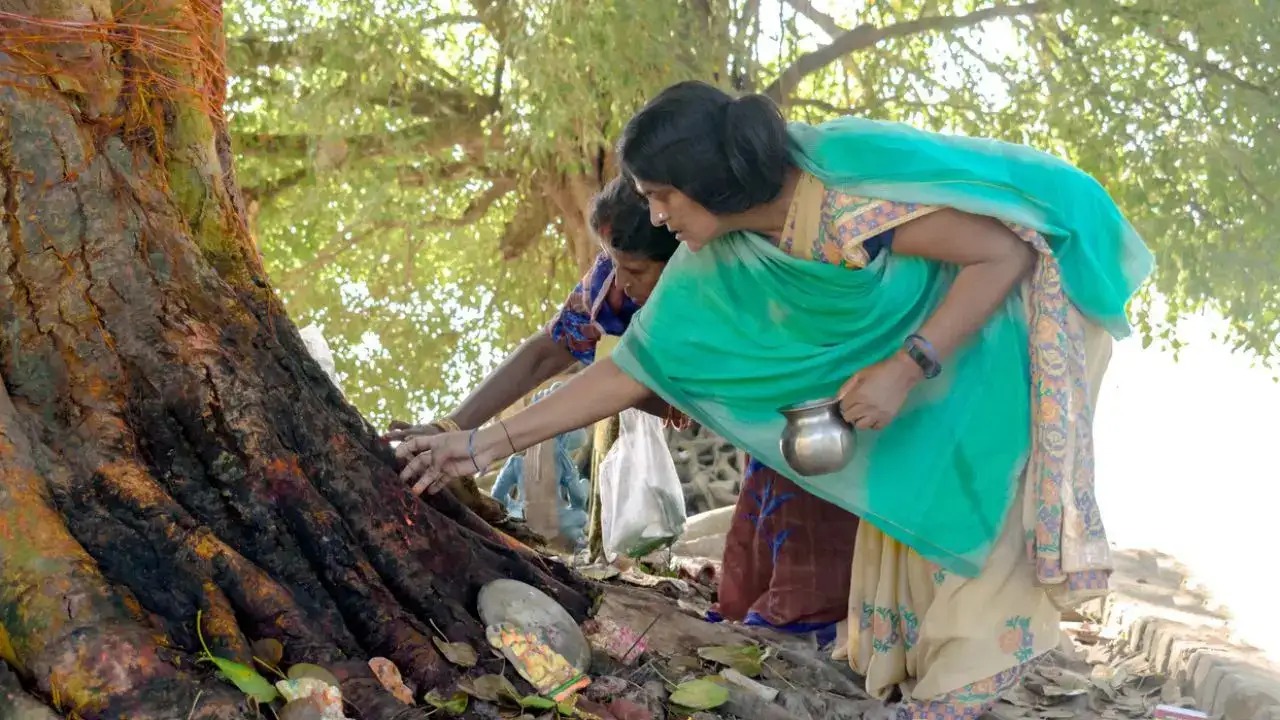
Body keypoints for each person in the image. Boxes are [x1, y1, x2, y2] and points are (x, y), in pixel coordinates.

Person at [396, 80, 1153, 719]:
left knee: (979, 465)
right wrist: (476, 444)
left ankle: (963, 681)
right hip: (939, 309)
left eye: (661, 196)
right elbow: (630, 369)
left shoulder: (841, 198)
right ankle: (921, 666)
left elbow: (1006, 251)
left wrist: (907, 364)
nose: (655, 218)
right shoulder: (712, 252)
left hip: (1031, 287)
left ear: (710, 185)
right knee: (912, 460)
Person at [388, 173, 862, 638]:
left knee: (810, 567)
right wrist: (451, 425)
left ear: (685, 257)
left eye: (634, 270)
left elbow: (622, 379)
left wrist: (482, 445)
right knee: (749, 578)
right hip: (760, 442)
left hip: (806, 421)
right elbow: (547, 350)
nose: (619, 281)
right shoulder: (611, 288)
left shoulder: (725, 288)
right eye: (610, 262)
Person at [489, 383, 591, 548]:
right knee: (581, 513)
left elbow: (497, 497)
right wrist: (578, 482)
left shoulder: (516, 462)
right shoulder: (562, 460)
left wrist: (513, 506)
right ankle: (578, 545)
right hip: (557, 525)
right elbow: (578, 499)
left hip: (522, 519)